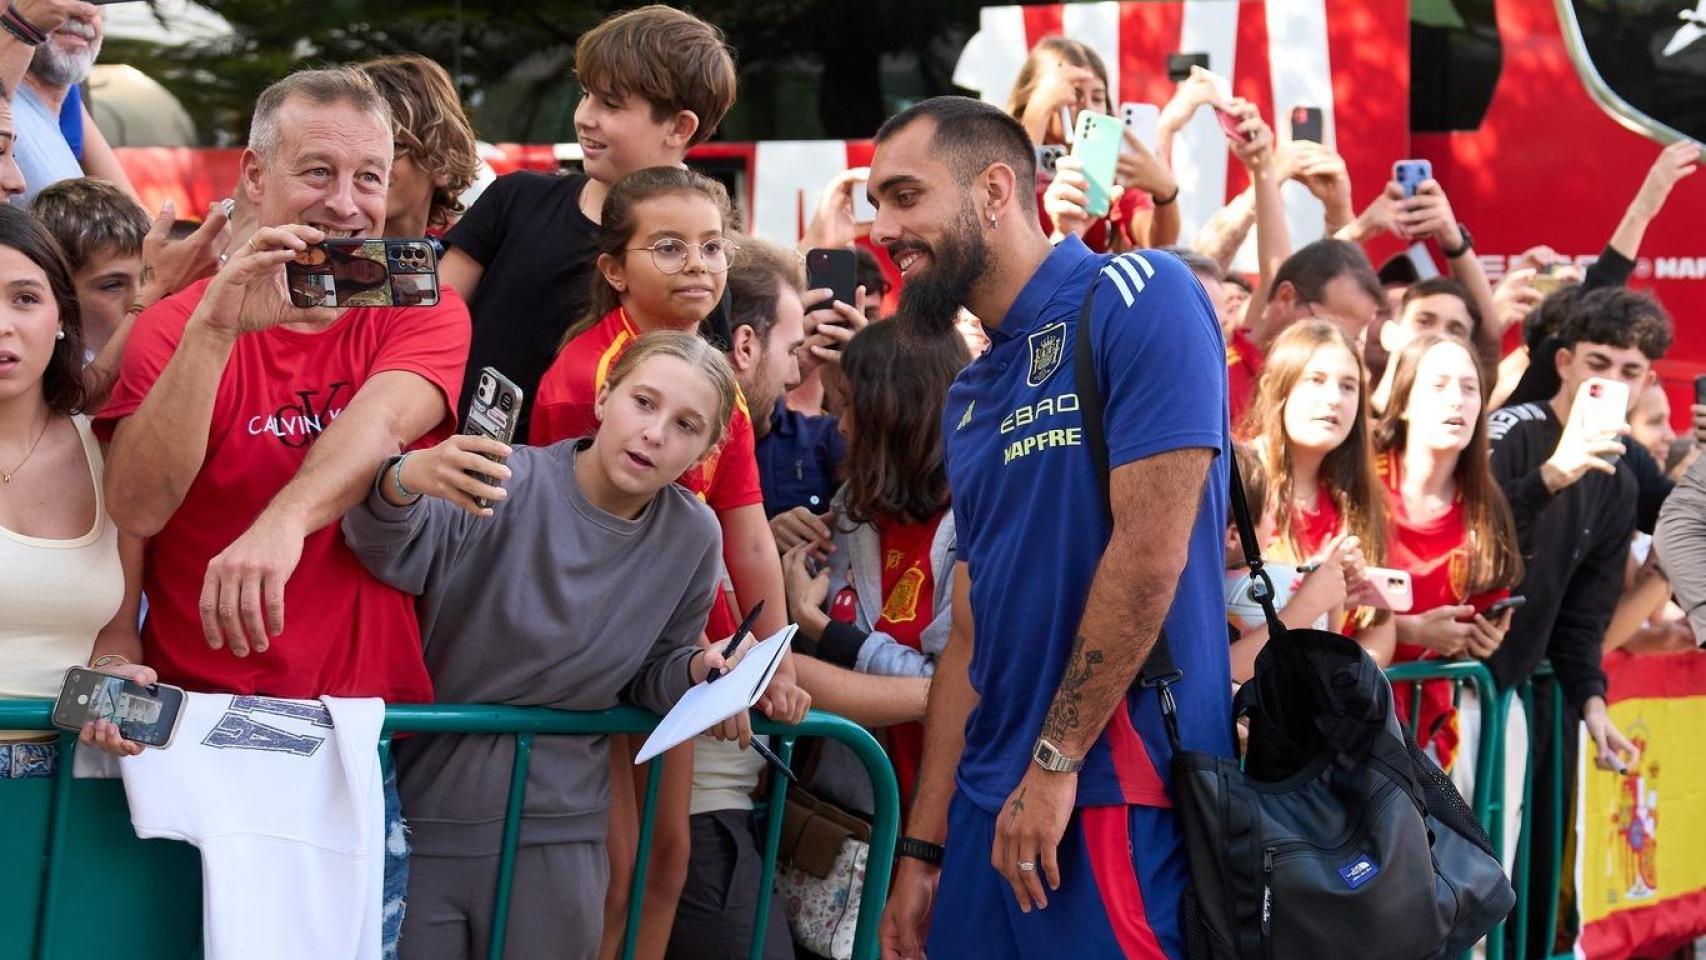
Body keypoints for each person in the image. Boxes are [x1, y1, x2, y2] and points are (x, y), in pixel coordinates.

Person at [94, 68, 472, 957]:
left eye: (370, 177)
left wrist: (281, 520)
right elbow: (138, 506)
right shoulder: (179, 324)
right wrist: (217, 331)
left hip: (357, 737)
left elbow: (383, 420)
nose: (347, 205)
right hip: (197, 734)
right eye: (318, 173)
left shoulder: (420, 300)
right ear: (254, 179)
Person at [867, 96, 1232, 960]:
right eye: (878, 203)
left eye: (905, 197)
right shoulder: (969, 391)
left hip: (1112, 794)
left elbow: (1150, 556)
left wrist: (1058, 761)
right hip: (992, 810)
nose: (882, 227)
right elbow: (970, 636)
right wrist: (923, 848)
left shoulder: (1141, 295)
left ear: (995, 189)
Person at [342, 331, 752, 960]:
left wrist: (704, 671)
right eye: (643, 403)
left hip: (563, 832)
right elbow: (386, 544)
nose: (655, 433)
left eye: (686, 424)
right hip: (431, 815)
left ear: (709, 448)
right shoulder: (505, 476)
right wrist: (403, 478)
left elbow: (652, 671)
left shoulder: (694, 532)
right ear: (605, 397)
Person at [529, 166, 812, 960]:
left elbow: (747, 533)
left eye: (713, 246)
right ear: (614, 269)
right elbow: (562, 539)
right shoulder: (581, 380)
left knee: (666, 861)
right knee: (614, 873)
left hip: (682, 667)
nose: (698, 264)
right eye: (669, 246)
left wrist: (770, 661)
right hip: (596, 669)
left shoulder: (716, 377)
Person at [439, 4, 737, 441]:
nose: (584, 116)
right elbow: (427, 321)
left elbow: (706, 402)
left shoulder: (704, 268)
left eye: (611, 104)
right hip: (455, 469)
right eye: (585, 94)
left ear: (679, 127)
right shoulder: (516, 198)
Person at [1488, 289, 1667, 953]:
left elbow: (1581, 622)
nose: (1612, 382)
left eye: (1630, 371)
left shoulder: (1621, 479)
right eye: (1598, 362)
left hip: (1526, 700)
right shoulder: (1515, 430)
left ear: (1647, 380)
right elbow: (1475, 543)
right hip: (1456, 689)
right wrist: (1552, 477)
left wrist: (1591, 703)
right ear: (1563, 362)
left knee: (1527, 876)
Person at [781, 320, 970, 811]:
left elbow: (950, 690)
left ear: (895, 409)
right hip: (847, 816)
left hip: (939, 810)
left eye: (849, 403)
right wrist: (781, 544)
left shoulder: (973, 523)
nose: (839, 423)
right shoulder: (854, 507)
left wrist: (820, 627)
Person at [0, 203, 149, 771]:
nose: (4, 325)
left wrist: (116, 678)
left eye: (25, 298)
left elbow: (117, 631)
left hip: (72, 786)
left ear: (61, 317)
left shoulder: (111, 452)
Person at [1370, 335, 1523, 805]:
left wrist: (1482, 639)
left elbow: (1486, 608)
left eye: (1469, 387)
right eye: (1437, 386)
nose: (1456, 400)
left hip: (1431, 728)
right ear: (1405, 401)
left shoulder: (1485, 503)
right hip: (1353, 719)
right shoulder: (1363, 484)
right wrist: (1412, 629)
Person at [30, 177, 229, 408]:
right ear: (57, 294)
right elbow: (74, 405)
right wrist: (156, 290)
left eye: (146, 278)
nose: (139, 297)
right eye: (112, 285)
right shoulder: (32, 364)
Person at [1009, 36, 1179, 251]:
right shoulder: (1002, 158)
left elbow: (1158, 244)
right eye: (1074, 95)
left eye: (1097, 98)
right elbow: (1005, 217)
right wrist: (1037, 113)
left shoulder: (1113, 168)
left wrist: (1166, 193)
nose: (1087, 107)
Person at [0, 1, 136, 201]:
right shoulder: (10, 97)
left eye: (98, 4)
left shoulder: (65, 100)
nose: (87, 12)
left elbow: (137, 216)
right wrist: (21, 25)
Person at [356, 54, 480, 241]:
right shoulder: (308, 259)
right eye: (353, 146)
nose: (364, 162)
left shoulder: (466, 264)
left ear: (443, 161)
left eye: (394, 145)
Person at [1248, 238, 1384, 352]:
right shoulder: (1228, 377)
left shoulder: (1335, 382)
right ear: (1286, 298)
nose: (1337, 352)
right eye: (1324, 333)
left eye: (1351, 342)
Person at [1369, 277, 1481, 414]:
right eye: (1424, 322)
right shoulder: (1350, 423)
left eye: (1455, 331)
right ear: (1389, 334)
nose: (1439, 336)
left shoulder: (1464, 431)